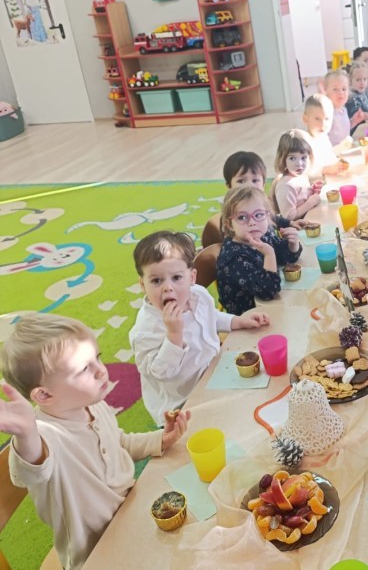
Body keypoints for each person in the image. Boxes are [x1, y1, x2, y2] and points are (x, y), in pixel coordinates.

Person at [0, 313, 190, 570]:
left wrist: (160, 439)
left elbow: (118, 444)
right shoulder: (44, 435)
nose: (101, 370)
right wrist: (26, 434)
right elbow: (33, 469)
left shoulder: (92, 404)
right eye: (84, 369)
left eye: (97, 357)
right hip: (97, 553)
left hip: (133, 514)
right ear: (44, 395)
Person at [129, 231, 269, 424]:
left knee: (257, 401)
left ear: (192, 277)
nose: (168, 287)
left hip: (213, 372)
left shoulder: (198, 295)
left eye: (176, 277)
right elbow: (159, 373)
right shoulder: (145, 330)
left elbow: (211, 316)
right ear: (143, 285)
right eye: (156, 281)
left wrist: (237, 321)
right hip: (182, 403)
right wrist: (174, 335)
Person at [216, 185, 302, 315]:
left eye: (258, 214)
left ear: (268, 216)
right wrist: (269, 255)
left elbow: (285, 257)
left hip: (270, 308)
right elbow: (268, 291)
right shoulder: (234, 258)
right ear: (230, 225)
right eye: (242, 217)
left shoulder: (262, 235)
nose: (252, 222)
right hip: (249, 318)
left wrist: (292, 244)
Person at [271, 129, 322, 221]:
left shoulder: (301, 176)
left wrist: (312, 191)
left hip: (310, 220)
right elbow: (288, 217)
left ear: (310, 157)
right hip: (297, 228)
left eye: (304, 158)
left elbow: (301, 199)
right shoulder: (286, 186)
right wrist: (311, 202)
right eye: (292, 158)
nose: (299, 164)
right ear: (283, 159)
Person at [300, 94, 348, 180]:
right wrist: (324, 170)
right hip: (315, 184)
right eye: (317, 119)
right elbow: (304, 171)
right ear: (306, 119)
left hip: (330, 178)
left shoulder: (323, 137)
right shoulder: (305, 143)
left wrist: (341, 148)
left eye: (327, 119)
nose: (323, 124)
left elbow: (329, 155)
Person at [324, 69, 359, 148]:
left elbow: (341, 130)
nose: (341, 92)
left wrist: (354, 121)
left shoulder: (344, 110)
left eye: (344, 89)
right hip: (334, 152)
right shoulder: (327, 113)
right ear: (326, 91)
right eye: (335, 89)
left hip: (345, 149)